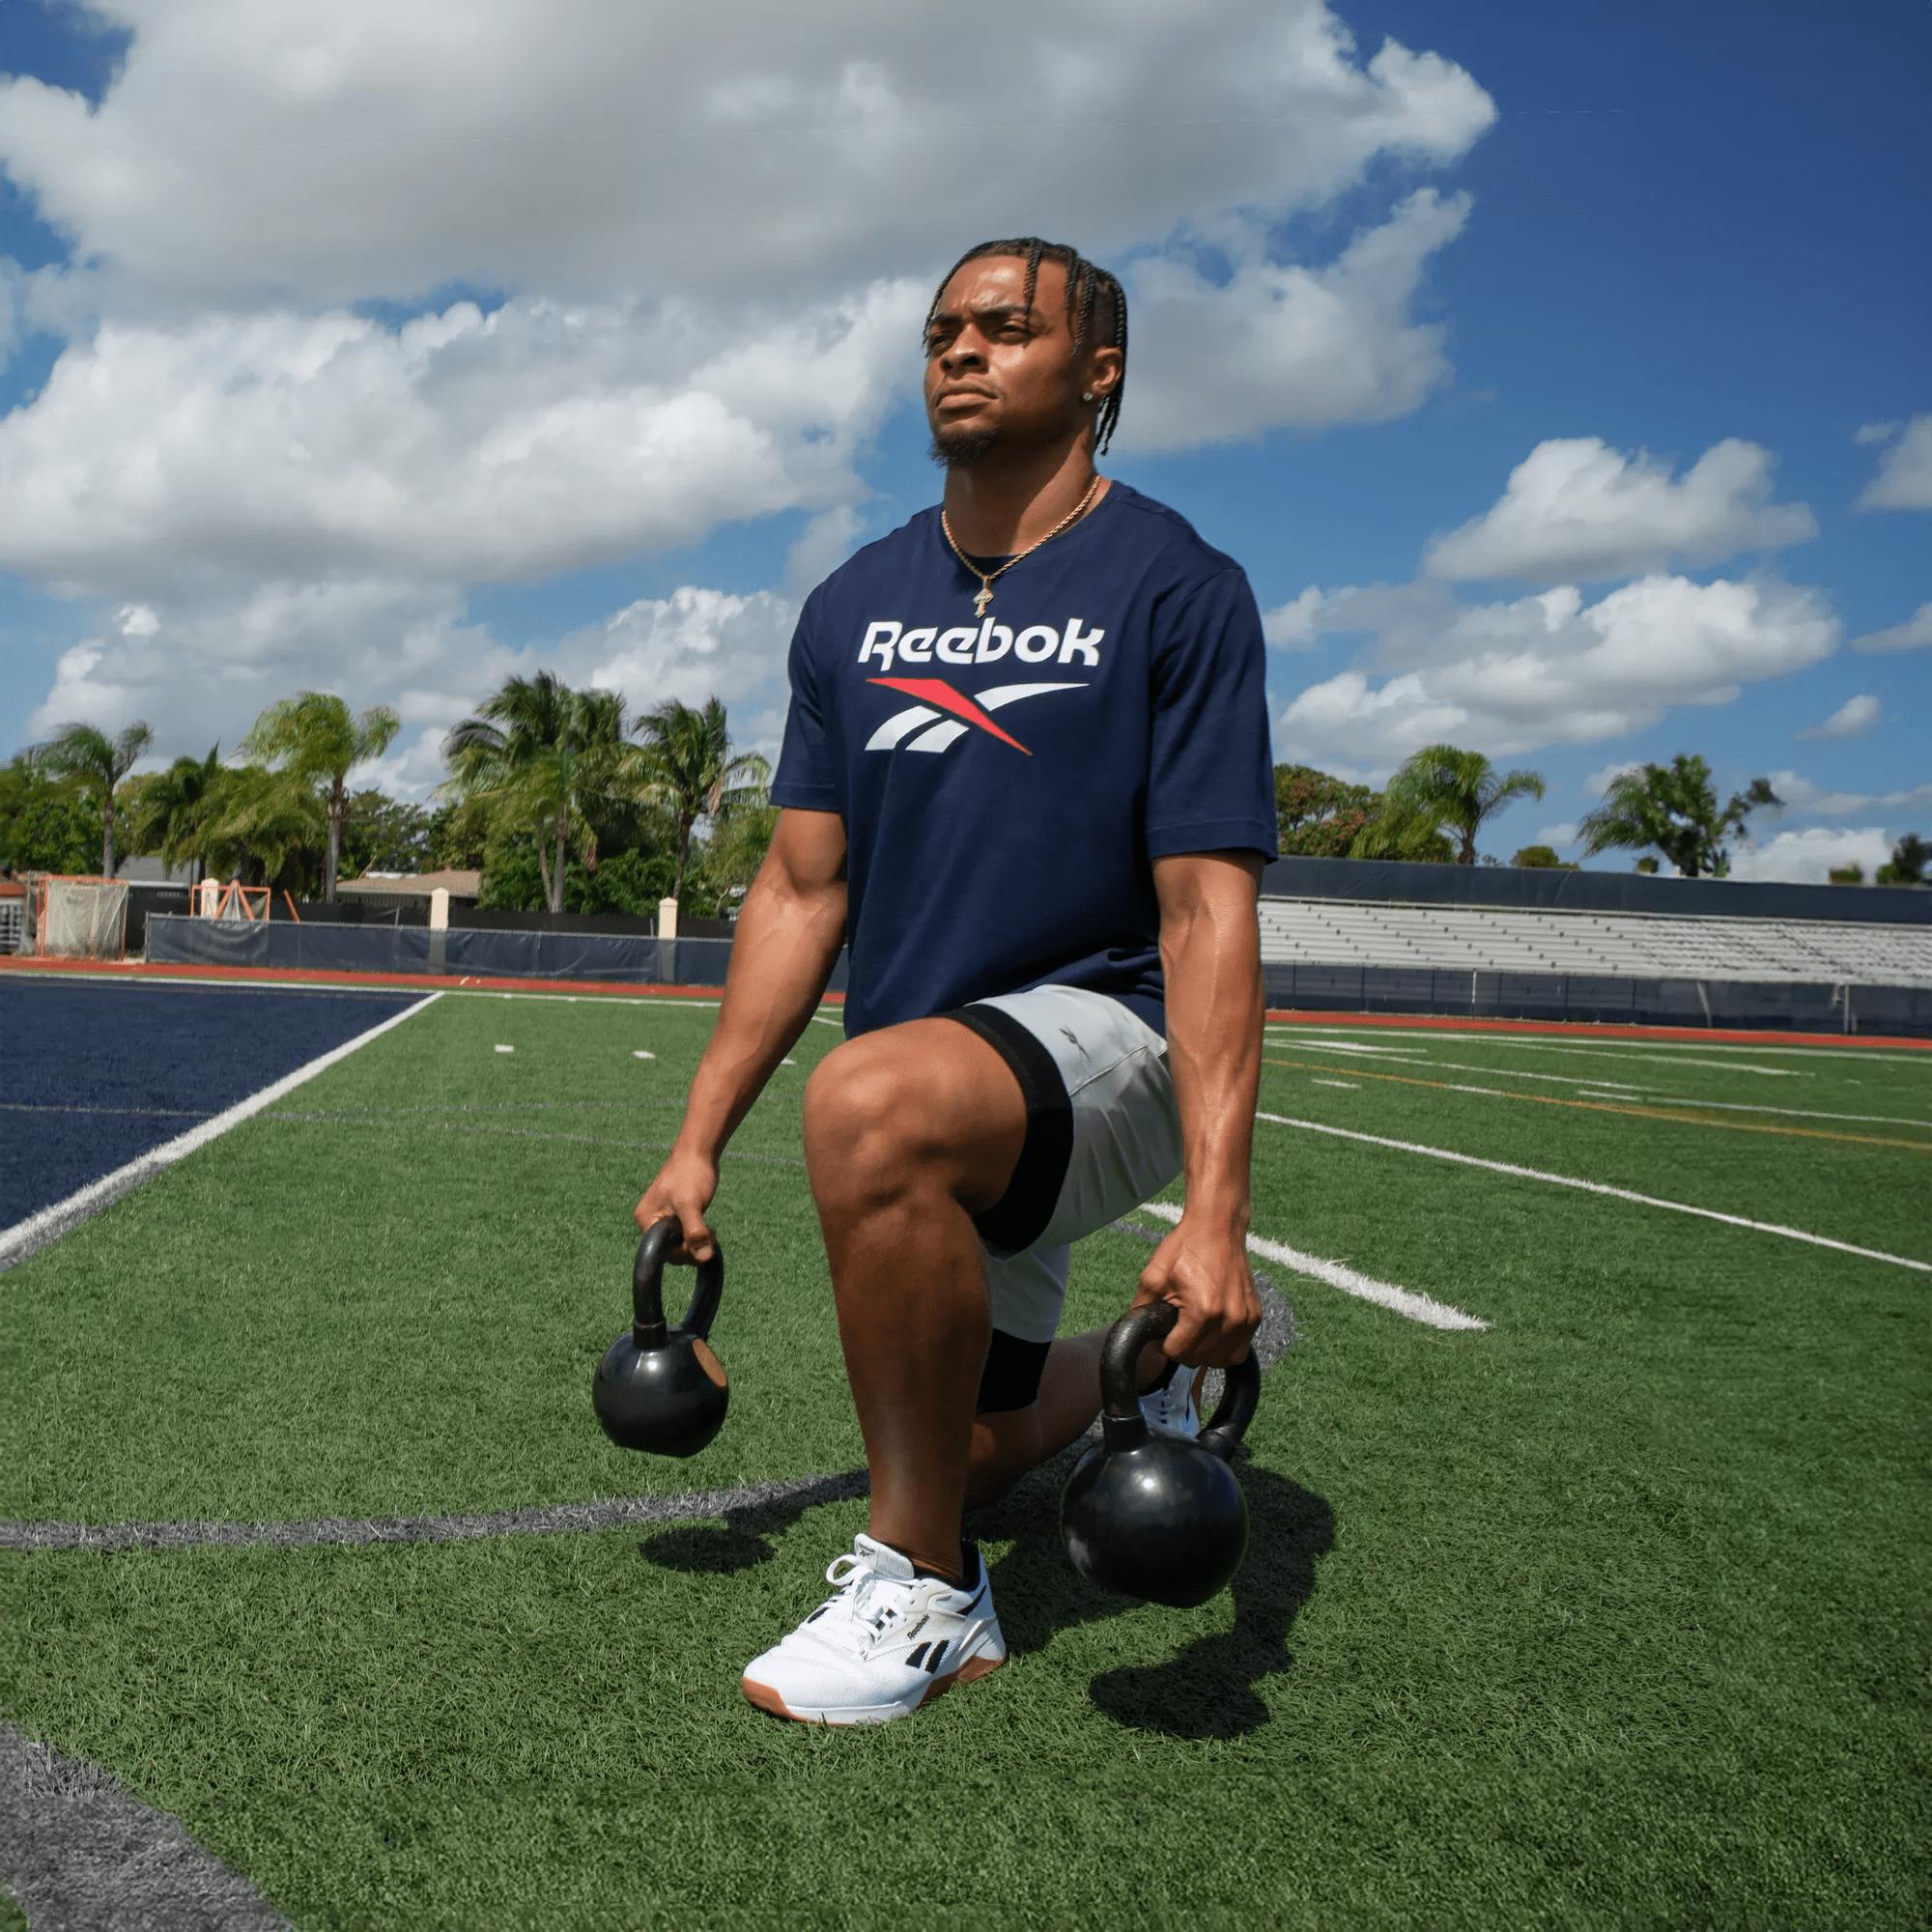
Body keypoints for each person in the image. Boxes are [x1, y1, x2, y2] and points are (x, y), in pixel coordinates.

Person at [633, 236, 1277, 1726]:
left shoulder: (1177, 586)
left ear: (1098, 371)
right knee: (961, 1452)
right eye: (941, 334)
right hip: (948, 1068)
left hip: (1111, 1033)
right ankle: (1144, 1385)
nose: (962, 353)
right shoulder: (854, 601)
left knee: (870, 1102)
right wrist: (698, 1135)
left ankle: (926, 1594)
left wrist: (1219, 1211)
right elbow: (802, 890)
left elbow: (1205, 907)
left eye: (1004, 328)